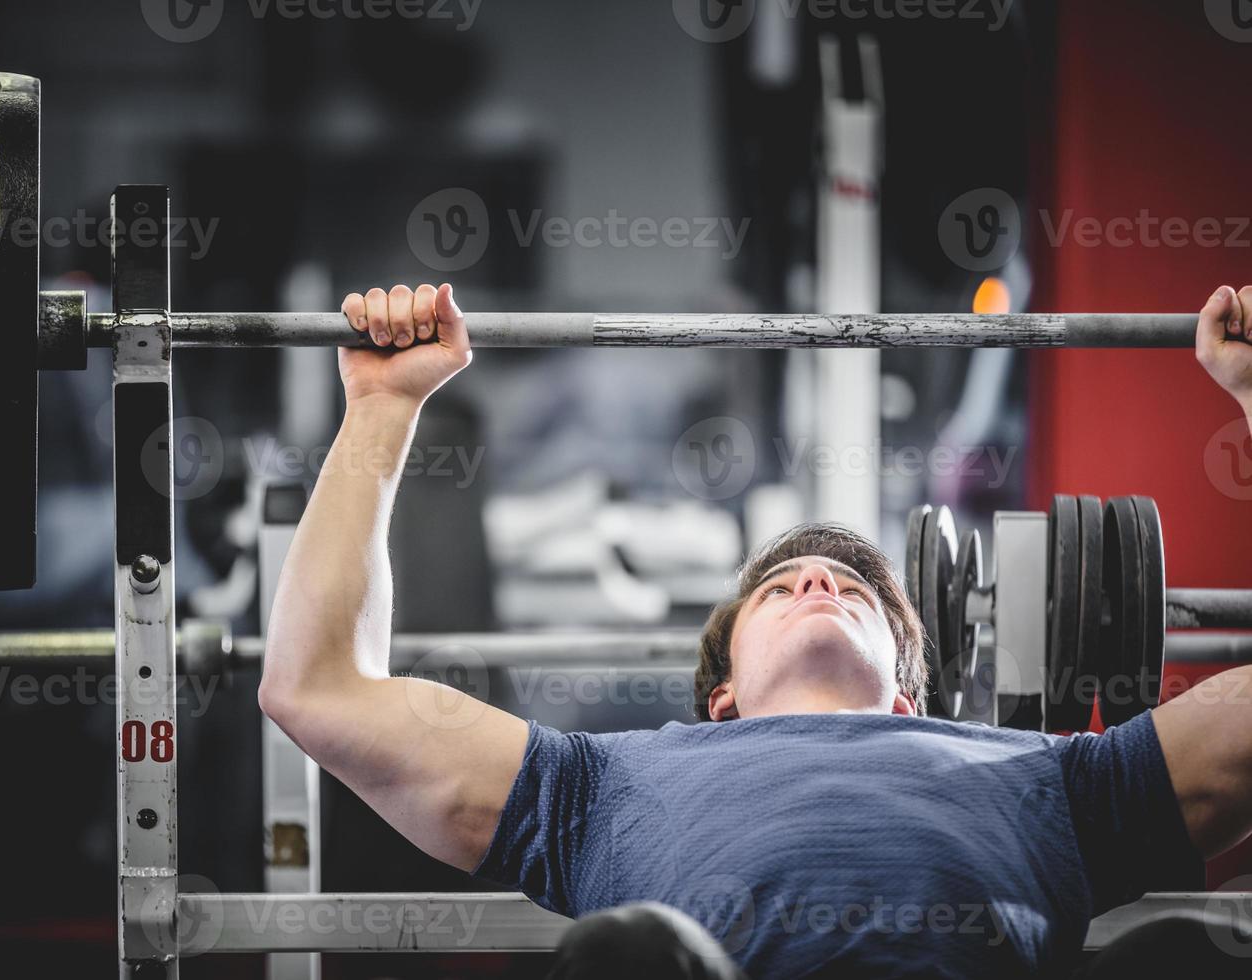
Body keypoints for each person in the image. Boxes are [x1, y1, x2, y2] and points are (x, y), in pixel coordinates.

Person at [257, 282, 1252, 978]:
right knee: (631, 955)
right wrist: (383, 407)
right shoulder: (602, 782)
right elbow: (321, 688)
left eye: (854, 587)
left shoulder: (1047, 774)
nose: (820, 574)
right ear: (721, 697)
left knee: (1186, 952)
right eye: (781, 587)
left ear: (910, 690)